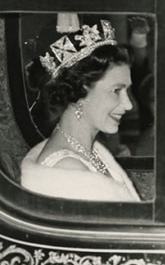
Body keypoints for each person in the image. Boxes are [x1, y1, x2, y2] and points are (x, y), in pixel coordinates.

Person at [20, 20, 141, 202]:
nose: (128, 105)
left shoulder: (91, 151)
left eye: (127, 91)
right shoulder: (67, 171)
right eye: (116, 91)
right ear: (81, 90)